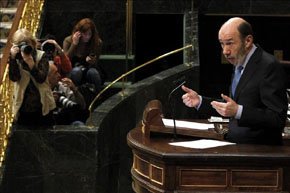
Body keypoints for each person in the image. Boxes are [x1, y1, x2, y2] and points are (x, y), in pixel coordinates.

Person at [182, 17, 288, 145]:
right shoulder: (240, 63)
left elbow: (277, 118)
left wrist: (238, 111)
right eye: (222, 44)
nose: (225, 51)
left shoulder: (269, 65)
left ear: (248, 41)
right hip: (236, 147)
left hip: (259, 153)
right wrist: (200, 101)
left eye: (230, 43)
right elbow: (232, 106)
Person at [9, 28, 56, 126]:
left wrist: (31, 64)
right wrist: (13, 59)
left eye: (27, 43)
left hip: (42, 104)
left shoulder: (41, 55)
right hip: (23, 105)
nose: (25, 46)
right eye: (21, 44)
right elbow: (14, 78)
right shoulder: (16, 58)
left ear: (33, 42)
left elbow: (41, 79)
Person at [63, 18, 104, 92]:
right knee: (76, 71)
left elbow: (96, 63)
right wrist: (74, 44)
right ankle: (73, 95)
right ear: (79, 33)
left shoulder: (96, 42)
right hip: (72, 70)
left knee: (93, 72)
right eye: (85, 34)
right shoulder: (68, 40)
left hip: (89, 69)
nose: (87, 37)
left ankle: (97, 96)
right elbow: (66, 60)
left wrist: (92, 61)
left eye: (90, 34)